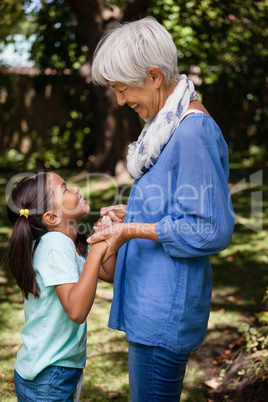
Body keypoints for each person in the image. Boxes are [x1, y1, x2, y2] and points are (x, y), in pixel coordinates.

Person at [89, 17, 235, 401]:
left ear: (154, 75)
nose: (121, 101)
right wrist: (132, 213)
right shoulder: (164, 129)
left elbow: (210, 228)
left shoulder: (191, 131)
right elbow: (177, 205)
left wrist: (132, 231)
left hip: (164, 313)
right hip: (149, 305)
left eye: (123, 89)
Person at [7, 170, 116, 401]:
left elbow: (108, 273)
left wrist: (106, 239)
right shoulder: (55, 245)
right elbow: (76, 311)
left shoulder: (68, 242)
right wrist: (97, 250)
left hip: (56, 368)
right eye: (65, 188)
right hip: (48, 374)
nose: (75, 189)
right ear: (52, 217)